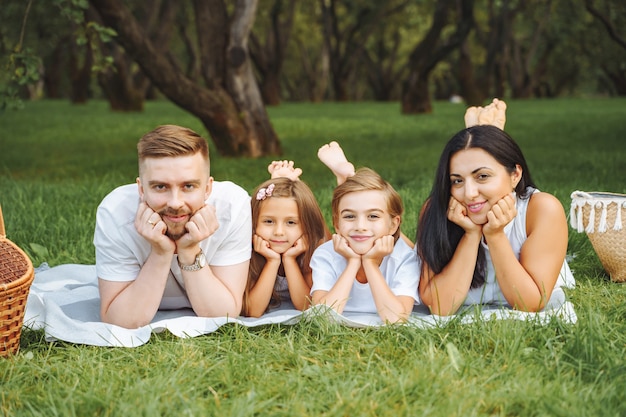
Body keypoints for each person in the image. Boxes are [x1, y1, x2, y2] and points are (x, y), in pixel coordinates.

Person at [94, 125, 252, 328]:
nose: (175, 203)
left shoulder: (232, 207)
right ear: (141, 189)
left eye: (188, 186)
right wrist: (160, 253)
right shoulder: (115, 212)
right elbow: (119, 321)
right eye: (160, 187)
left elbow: (224, 314)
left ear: (208, 188)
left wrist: (189, 250)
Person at [415, 123, 575, 316]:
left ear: (515, 175)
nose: (469, 194)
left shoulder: (541, 209)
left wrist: (495, 235)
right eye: (457, 180)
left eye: (482, 176)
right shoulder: (436, 210)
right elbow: (439, 306)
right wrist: (471, 235)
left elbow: (530, 303)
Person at [310, 168, 420, 323]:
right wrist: (353, 263)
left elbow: (396, 319)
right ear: (337, 224)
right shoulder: (325, 255)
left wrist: (370, 263)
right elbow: (322, 317)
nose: (360, 226)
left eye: (373, 216)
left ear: (393, 225)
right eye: (349, 216)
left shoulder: (404, 258)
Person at [242, 166, 330, 317]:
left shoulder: (314, 250)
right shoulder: (247, 250)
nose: (279, 232)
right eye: (269, 221)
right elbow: (253, 311)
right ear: (254, 222)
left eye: (291, 223)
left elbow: (308, 307)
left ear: (306, 225)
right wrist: (272, 261)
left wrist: (290, 260)